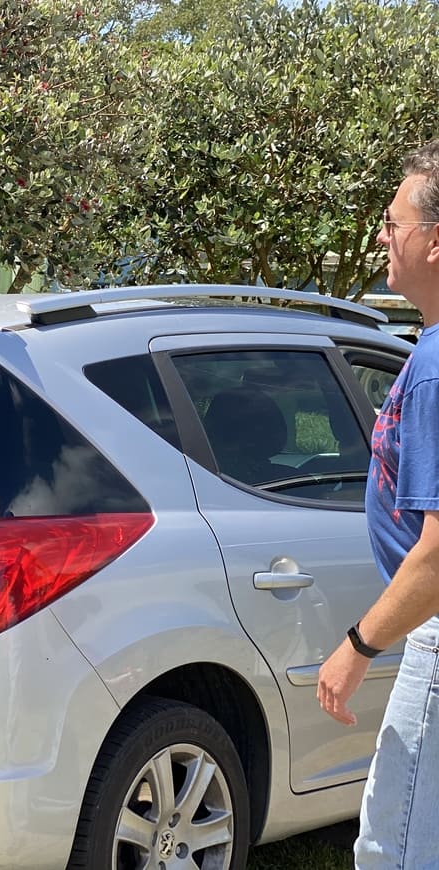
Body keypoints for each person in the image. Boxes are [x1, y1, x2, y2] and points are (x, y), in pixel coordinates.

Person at [317, 140, 439, 868]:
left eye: (393, 222)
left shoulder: (432, 370)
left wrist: (358, 646)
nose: (382, 237)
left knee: (393, 851)